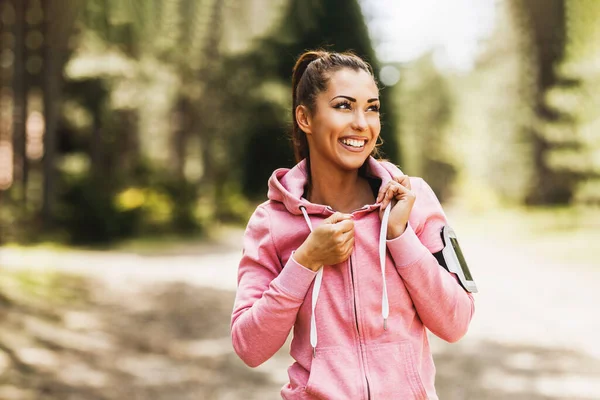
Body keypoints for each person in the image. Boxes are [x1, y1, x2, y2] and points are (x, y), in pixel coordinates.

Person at [231, 50, 475, 400]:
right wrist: (305, 261)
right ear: (305, 117)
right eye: (344, 106)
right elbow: (248, 346)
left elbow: (457, 322)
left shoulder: (412, 197)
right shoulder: (271, 221)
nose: (362, 123)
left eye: (372, 108)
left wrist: (399, 236)